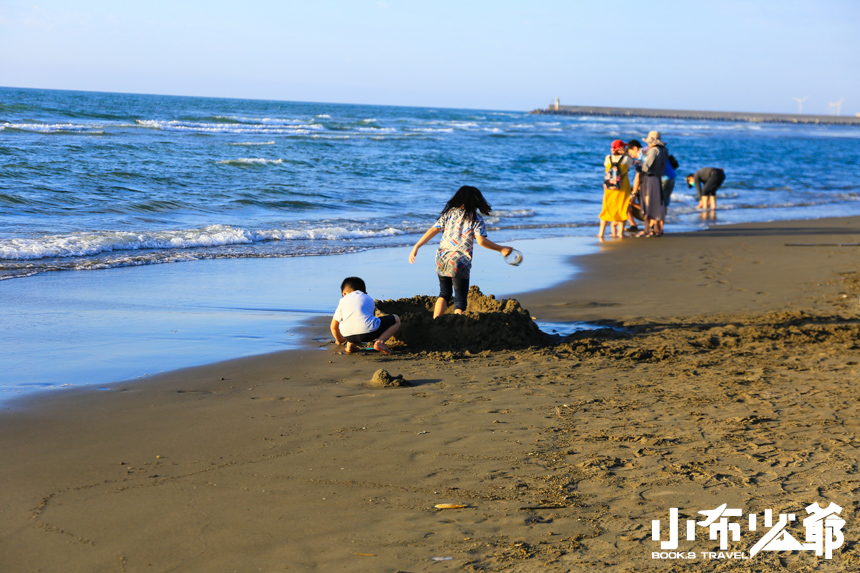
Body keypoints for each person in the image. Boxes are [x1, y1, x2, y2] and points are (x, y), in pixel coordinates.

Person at [409, 185, 512, 318]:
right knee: (460, 300)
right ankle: (456, 325)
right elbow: (481, 241)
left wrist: (417, 246)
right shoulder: (476, 218)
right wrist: (501, 249)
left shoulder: (449, 213)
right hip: (460, 262)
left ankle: (435, 321)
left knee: (444, 294)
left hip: (442, 258)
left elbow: (433, 230)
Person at [331, 276, 400, 355]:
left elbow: (333, 327)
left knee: (350, 321)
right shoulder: (368, 298)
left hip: (347, 336)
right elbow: (372, 318)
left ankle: (350, 345)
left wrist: (340, 340)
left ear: (344, 293)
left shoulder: (342, 301)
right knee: (396, 319)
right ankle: (380, 342)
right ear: (365, 293)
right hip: (368, 334)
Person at [598, 139, 634, 238]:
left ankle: (601, 233)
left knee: (606, 208)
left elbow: (606, 167)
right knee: (622, 208)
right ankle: (620, 233)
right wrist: (626, 153)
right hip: (622, 188)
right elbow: (633, 163)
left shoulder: (608, 158)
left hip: (609, 188)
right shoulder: (626, 159)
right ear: (622, 148)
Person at [637, 131, 668, 237]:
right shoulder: (664, 151)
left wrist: (638, 165)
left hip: (649, 179)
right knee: (657, 204)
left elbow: (646, 167)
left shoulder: (653, 151)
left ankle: (647, 230)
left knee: (647, 205)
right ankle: (657, 229)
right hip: (657, 178)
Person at [625, 139, 644, 233]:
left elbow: (638, 176)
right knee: (626, 202)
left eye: (630, 152)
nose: (631, 155)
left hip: (642, 188)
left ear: (635, 148)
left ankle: (634, 225)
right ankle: (633, 225)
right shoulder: (644, 156)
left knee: (627, 203)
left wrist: (634, 194)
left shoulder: (642, 158)